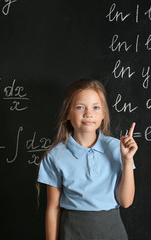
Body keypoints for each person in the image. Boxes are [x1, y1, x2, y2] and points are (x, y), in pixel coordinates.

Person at [37, 78, 137, 240]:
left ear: (104, 113)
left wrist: (127, 161)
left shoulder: (118, 148)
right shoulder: (56, 155)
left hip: (112, 232)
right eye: (79, 107)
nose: (88, 114)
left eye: (96, 107)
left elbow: (125, 202)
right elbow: (53, 209)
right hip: (73, 232)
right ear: (68, 113)